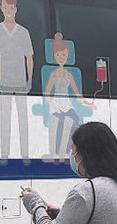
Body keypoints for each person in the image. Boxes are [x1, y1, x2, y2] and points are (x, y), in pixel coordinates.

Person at [0, 0, 33, 164]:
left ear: (16, 9)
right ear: (1, 9)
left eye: (11, 7)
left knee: (23, 120)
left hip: (21, 82)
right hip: (4, 82)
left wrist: (29, 79)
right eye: (5, 7)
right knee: (5, 120)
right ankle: (4, 154)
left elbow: (29, 57)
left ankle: (25, 154)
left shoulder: (23, 32)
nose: (8, 10)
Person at [44, 33, 81, 164]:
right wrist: (53, 105)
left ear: (67, 56)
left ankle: (66, 153)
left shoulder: (69, 75)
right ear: (54, 56)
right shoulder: (53, 75)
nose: (61, 58)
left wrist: (87, 102)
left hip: (67, 104)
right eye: (58, 55)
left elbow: (77, 93)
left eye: (64, 55)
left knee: (71, 121)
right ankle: (56, 154)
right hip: (56, 104)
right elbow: (47, 93)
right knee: (56, 121)